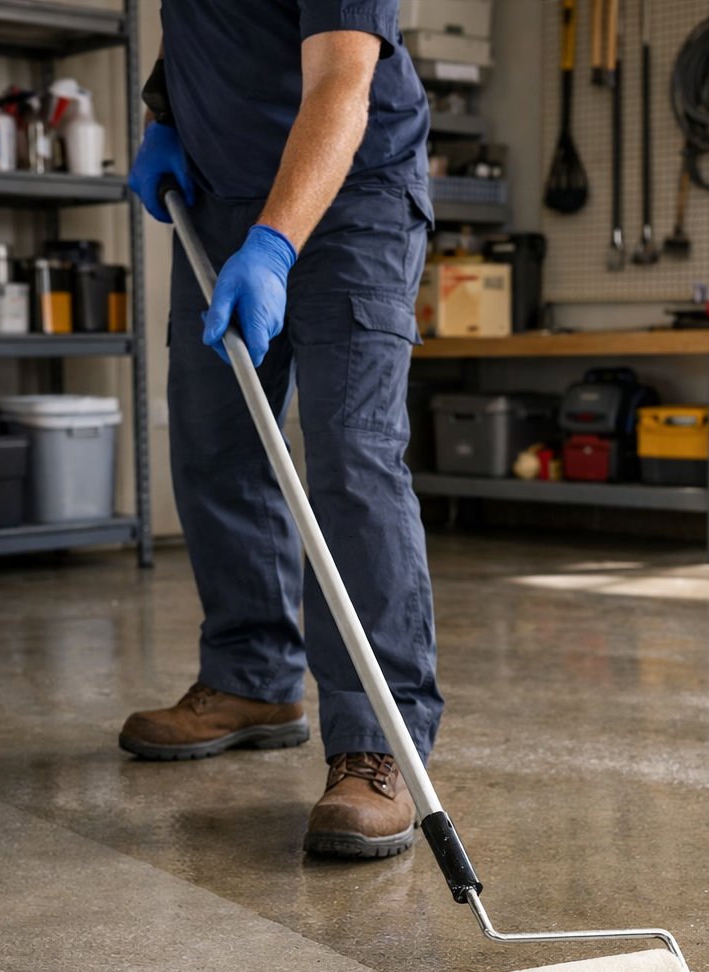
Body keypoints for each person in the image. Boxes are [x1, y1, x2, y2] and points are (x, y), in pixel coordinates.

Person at [121, 0, 444, 861]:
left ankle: (379, 746)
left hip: (354, 196)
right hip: (223, 196)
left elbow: (342, 79)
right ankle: (251, 678)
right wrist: (165, 118)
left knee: (350, 458)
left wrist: (271, 246)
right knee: (214, 442)